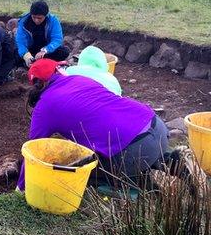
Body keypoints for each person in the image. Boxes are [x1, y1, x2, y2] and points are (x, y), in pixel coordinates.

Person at [18, 58, 175, 192]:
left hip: (133, 149)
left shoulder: (44, 107)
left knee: (75, 173)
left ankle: (138, 181)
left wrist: (21, 188)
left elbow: (32, 151)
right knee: (130, 144)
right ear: (57, 71)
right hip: (156, 126)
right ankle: (170, 160)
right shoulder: (80, 79)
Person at [15, 0, 69, 68]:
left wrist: (45, 50)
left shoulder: (53, 20)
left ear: (46, 15)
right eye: (34, 17)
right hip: (30, 51)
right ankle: (33, 62)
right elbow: (20, 42)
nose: (36, 20)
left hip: (46, 51)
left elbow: (57, 39)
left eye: (39, 18)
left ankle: (37, 63)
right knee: (15, 53)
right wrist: (26, 55)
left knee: (64, 51)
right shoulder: (23, 22)